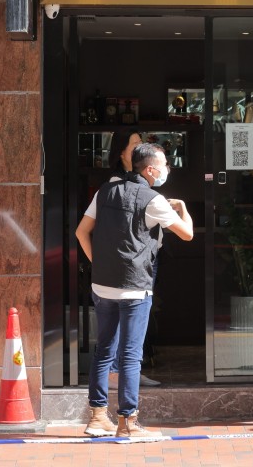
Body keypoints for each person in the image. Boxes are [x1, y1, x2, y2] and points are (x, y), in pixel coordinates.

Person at [75, 143, 193, 438]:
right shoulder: (154, 200)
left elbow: (81, 232)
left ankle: (98, 417)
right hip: (135, 288)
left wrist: (100, 264)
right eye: (165, 164)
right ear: (151, 169)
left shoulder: (105, 191)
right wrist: (183, 209)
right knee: (130, 354)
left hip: (102, 285)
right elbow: (187, 234)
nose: (168, 168)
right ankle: (128, 422)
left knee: (103, 350)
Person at [104, 130, 162, 389]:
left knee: (135, 321)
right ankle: (119, 373)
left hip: (140, 261)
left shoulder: (142, 185)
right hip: (130, 264)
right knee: (125, 321)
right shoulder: (116, 186)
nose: (141, 148)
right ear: (122, 153)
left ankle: (126, 372)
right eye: (135, 145)